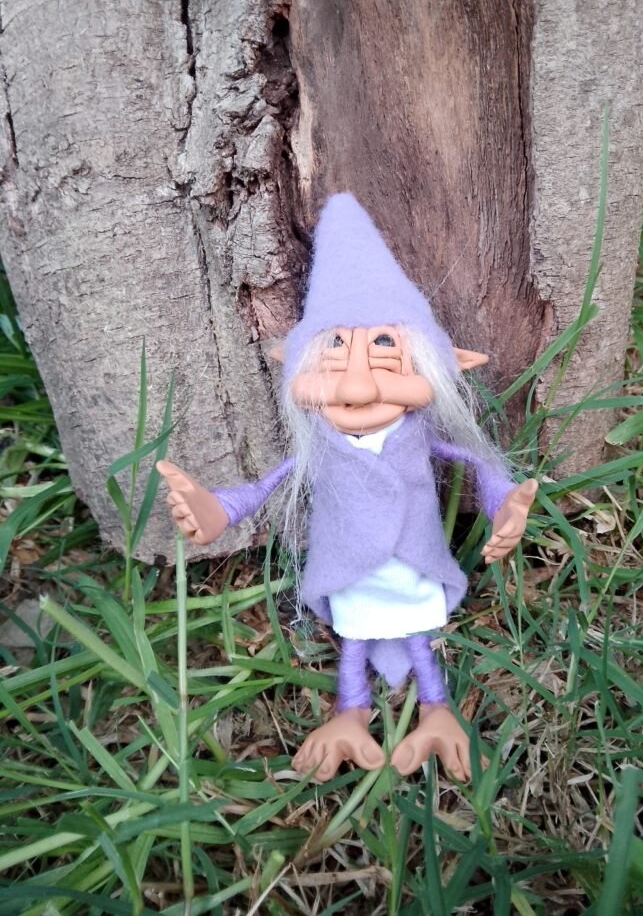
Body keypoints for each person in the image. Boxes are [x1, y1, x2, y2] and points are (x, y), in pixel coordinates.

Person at [158, 193, 537, 781]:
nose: (357, 389)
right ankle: (350, 711)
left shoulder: (417, 436)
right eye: (334, 355)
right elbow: (262, 487)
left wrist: (503, 503)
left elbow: (476, 463)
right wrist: (216, 511)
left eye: (385, 354)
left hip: (413, 561)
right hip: (348, 567)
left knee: (417, 632)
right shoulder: (320, 447)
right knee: (355, 634)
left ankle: (436, 709)